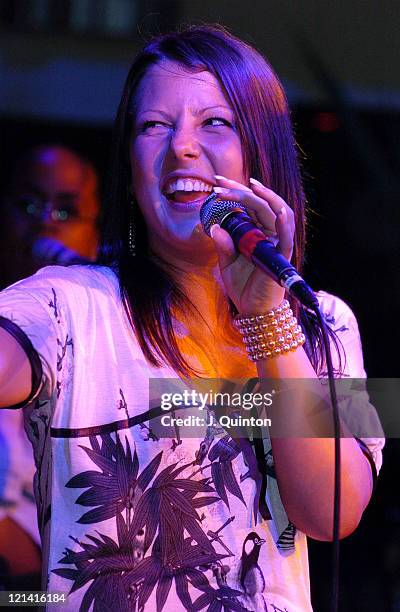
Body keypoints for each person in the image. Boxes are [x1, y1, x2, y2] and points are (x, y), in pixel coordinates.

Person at [0, 25, 383, 611]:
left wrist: (267, 316)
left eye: (214, 123)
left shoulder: (323, 322)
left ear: (263, 151)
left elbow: (332, 511)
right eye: (153, 126)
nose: (180, 146)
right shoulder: (68, 303)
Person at [0, 145, 100, 589]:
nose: (43, 221)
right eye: (27, 205)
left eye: (66, 211)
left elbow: (336, 511)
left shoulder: (325, 317)